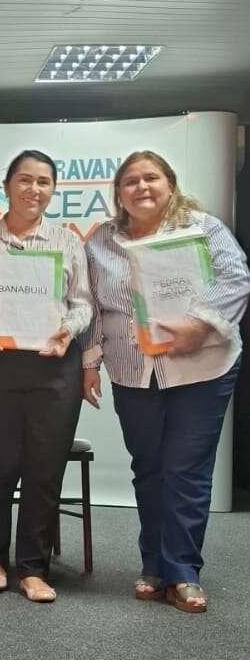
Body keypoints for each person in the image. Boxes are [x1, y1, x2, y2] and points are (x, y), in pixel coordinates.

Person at [82, 150, 249, 613]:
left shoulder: (202, 228)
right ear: (118, 193)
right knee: (149, 468)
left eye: (151, 178)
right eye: (130, 181)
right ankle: (153, 564)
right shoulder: (101, 241)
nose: (142, 187)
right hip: (133, 370)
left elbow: (236, 279)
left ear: (170, 185)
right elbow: (91, 303)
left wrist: (198, 325)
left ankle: (183, 572)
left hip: (203, 368)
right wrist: (90, 361)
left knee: (186, 469)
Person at [0, 149, 92, 603]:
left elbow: (83, 302)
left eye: (44, 182)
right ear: (7, 185)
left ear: (53, 190)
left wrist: (68, 332)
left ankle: (33, 567)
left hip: (55, 366)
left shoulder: (68, 241)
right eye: (25, 180)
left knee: (44, 469)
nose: (34, 189)